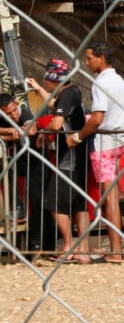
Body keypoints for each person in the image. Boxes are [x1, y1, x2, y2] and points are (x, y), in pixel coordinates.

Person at [67, 42, 124, 262]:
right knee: (113, 196)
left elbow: (97, 118)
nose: (87, 63)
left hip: (105, 144)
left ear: (101, 58)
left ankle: (115, 250)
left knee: (110, 198)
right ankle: (116, 248)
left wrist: (77, 136)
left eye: (89, 58)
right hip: (123, 140)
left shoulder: (101, 83)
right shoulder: (120, 82)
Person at [27, 60, 89, 262]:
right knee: (79, 204)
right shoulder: (70, 93)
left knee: (52, 201)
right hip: (78, 156)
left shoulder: (68, 94)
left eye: (46, 79)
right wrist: (37, 89)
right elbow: (54, 105)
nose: (45, 82)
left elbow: (57, 123)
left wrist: (42, 131)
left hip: (69, 158)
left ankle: (69, 246)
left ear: (55, 79)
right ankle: (83, 250)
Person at [0, 92, 54, 256]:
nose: (13, 115)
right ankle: (16, 209)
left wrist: (10, 132)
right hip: (20, 162)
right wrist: (10, 132)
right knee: (5, 167)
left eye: (14, 110)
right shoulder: (5, 119)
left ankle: (41, 245)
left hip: (38, 162)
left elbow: (30, 130)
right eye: (8, 114)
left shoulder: (25, 112)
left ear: (17, 104)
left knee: (38, 201)